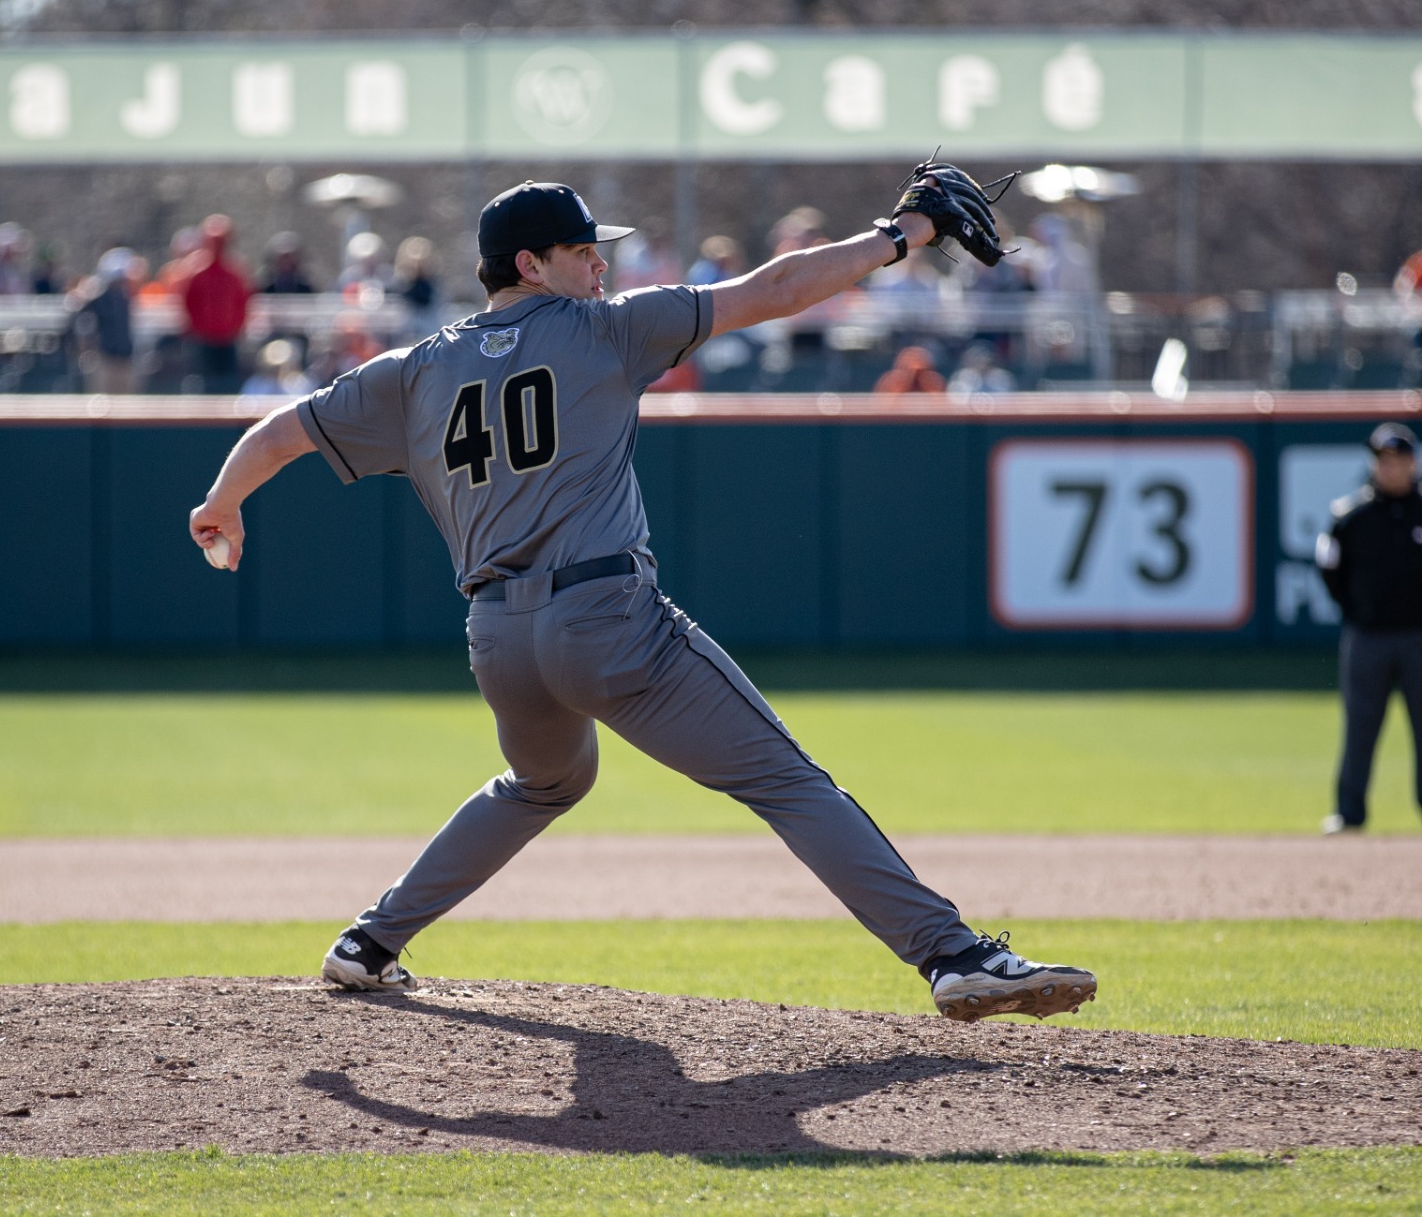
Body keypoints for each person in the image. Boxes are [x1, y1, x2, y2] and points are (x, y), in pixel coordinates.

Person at [189, 174, 1096, 1023]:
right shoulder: (603, 330)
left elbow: (281, 431)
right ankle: (952, 954)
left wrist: (221, 503)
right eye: (584, 251)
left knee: (543, 781)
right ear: (530, 265)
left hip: (499, 640)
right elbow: (775, 289)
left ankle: (370, 940)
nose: (602, 263)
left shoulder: (415, 369)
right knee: (784, 779)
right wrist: (902, 234)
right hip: (607, 621)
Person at [1316, 423, 1422, 835]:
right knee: (1360, 725)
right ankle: (1349, 812)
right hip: (1367, 637)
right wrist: (1357, 610)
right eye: (1382, 461)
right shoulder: (1351, 517)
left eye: (1398, 460)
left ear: (1413, 463)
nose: (1390, 468)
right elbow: (1331, 571)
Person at [181, 214, 252, 393]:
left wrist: (236, 327)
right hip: (204, 339)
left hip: (228, 337)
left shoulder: (234, 273)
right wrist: (197, 328)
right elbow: (189, 303)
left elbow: (243, 302)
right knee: (203, 383)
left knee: (228, 383)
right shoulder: (198, 273)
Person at [79, 246, 140, 394]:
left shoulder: (126, 299)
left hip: (125, 357)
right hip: (104, 357)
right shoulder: (97, 300)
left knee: (126, 403)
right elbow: (84, 324)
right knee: (103, 402)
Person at [874, 344, 947, 394]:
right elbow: (881, 409)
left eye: (921, 372)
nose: (915, 378)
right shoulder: (892, 383)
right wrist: (904, 382)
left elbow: (944, 410)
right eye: (909, 371)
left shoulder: (935, 383)